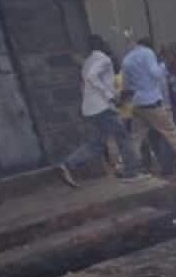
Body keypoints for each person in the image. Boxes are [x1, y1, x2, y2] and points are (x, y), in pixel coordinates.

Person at [57, 35, 146, 187]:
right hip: (103, 108)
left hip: (91, 109)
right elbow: (93, 77)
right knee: (123, 137)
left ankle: (68, 164)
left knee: (97, 143)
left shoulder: (89, 61)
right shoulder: (104, 59)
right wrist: (110, 96)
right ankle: (131, 173)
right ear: (102, 45)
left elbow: (89, 80)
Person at [121, 37, 176, 175]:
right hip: (152, 102)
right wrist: (164, 64)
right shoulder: (147, 53)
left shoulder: (126, 59)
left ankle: (129, 167)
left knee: (136, 138)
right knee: (173, 136)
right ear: (149, 46)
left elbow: (127, 86)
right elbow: (156, 74)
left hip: (137, 103)